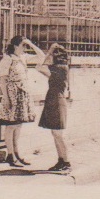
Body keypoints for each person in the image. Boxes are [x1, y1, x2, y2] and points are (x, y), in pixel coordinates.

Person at [0, 36, 40, 167]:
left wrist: (30, 43)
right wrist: (6, 98)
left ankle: (17, 153)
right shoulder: (7, 59)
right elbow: (3, 81)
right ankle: (10, 155)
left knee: (18, 125)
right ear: (15, 46)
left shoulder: (22, 58)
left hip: (22, 94)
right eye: (23, 45)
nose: (24, 48)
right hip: (12, 94)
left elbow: (42, 56)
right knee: (11, 125)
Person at [36, 43, 71, 173]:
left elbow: (39, 66)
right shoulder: (59, 68)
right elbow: (43, 70)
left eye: (52, 54)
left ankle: (66, 162)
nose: (49, 56)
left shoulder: (59, 68)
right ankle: (61, 160)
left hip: (57, 102)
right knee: (55, 134)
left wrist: (49, 51)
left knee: (58, 134)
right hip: (53, 100)